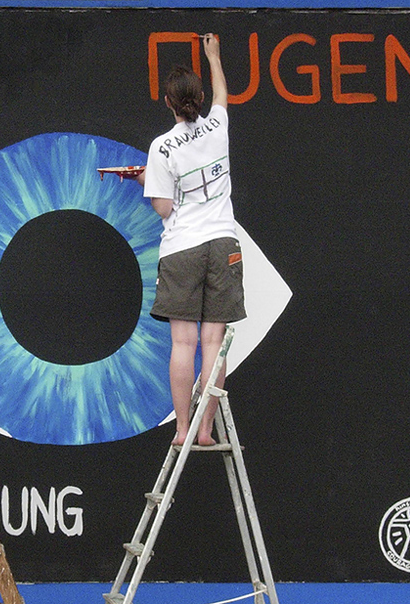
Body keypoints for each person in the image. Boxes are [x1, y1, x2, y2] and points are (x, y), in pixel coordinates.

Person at [134, 34, 246, 447]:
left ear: (167, 102)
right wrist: (214, 56)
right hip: (222, 243)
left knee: (184, 342)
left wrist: (146, 180)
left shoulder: (161, 147)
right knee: (214, 344)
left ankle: (182, 429)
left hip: (182, 247)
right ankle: (205, 429)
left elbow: (163, 208)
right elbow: (223, 95)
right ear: (198, 98)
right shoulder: (218, 125)